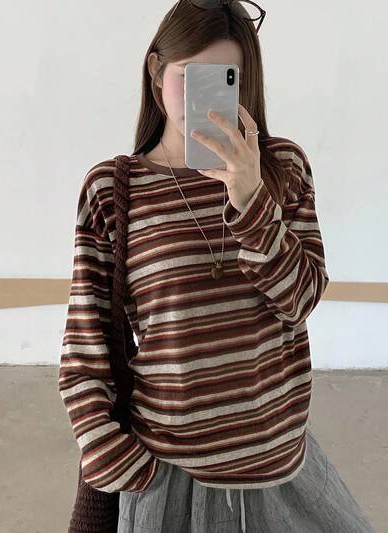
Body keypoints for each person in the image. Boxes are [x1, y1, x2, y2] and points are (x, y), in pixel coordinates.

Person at [59, 1, 377, 531]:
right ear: (156, 71)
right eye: (189, 76)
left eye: (225, 79)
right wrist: (114, 458)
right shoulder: (112, 191)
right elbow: (84, 345)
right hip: (167, 474)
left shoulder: (284, 169)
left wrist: (251, 197)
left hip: (279, 467)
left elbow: (299, 301)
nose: (203, 98)